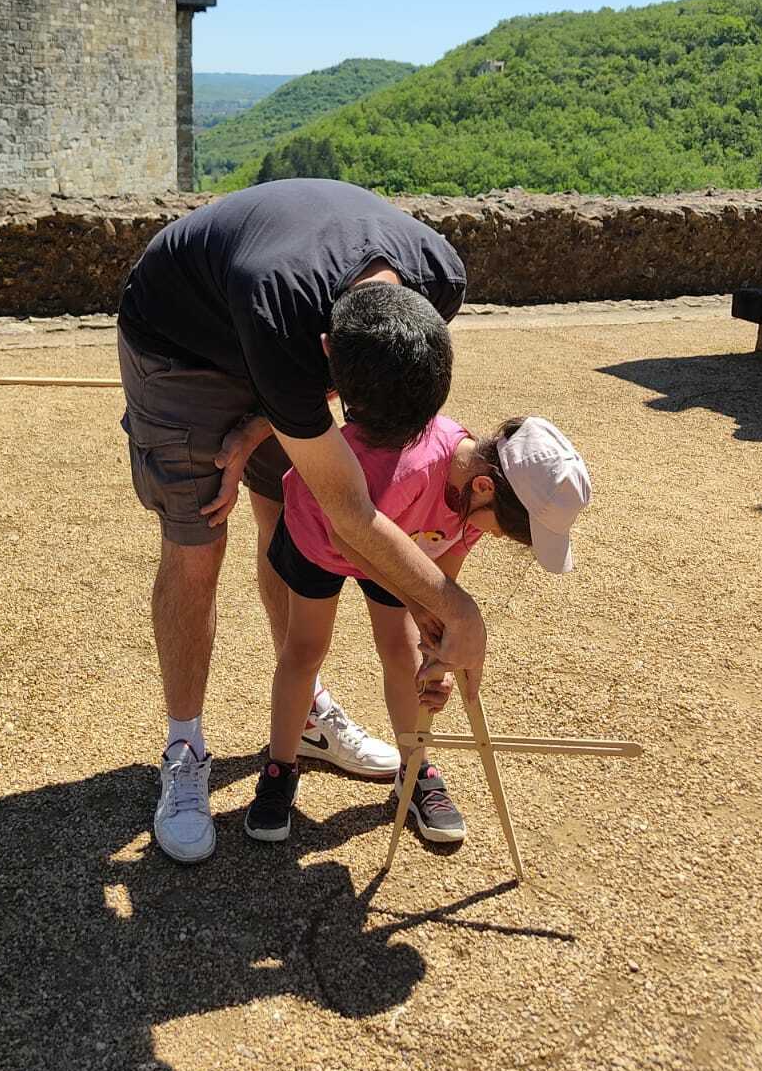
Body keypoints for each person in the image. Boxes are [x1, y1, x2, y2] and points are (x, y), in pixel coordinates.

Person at [117, 179, 486, 864]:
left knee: (284, 516)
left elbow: (341, 475)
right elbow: (349, 511)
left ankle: (307, 712)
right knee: (199, 538)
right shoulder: (277, 300)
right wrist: (456, 609)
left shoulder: (440, 279)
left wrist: (270, 425)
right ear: (325, 350)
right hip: (181, 339)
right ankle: (185, 748)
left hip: (283, 345)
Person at [243, 415, 591, 845]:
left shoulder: (473, 498)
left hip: (402, 543)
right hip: (324, 527)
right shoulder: (413, 467)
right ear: (485, 487)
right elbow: (348, 536)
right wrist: (411, 598)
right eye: (502, 530)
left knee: (403, 649)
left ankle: (416, 767)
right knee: (306, 649)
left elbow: (441, 588)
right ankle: (281, 766)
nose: (497, 538)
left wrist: (438, 655)